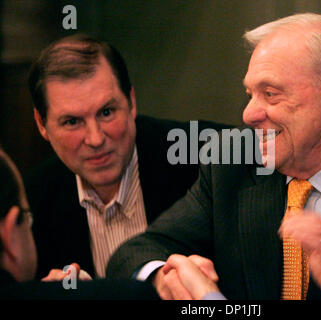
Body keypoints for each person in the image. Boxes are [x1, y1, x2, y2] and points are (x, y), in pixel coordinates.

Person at [106, 13, 321, 300]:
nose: (250, 113)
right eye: (250, 94)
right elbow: (134, 252)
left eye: (270, 93)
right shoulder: (232, 162)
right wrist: (165, 278)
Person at [25, 34, 229, 279]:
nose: (95, 138)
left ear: (131, 102)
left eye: (107, 112)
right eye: (72, 122)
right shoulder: (31, 202)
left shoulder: (207, 157)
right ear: (42, 124)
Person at [0, 147, 160, 299]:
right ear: (9, 232)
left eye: (106, 115)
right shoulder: (133, 295)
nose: (95, 139)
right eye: (28, 218)